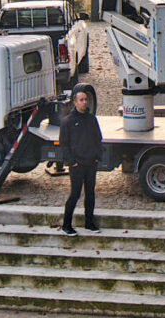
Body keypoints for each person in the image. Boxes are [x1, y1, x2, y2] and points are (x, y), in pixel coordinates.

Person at [59, 88, 102, 236]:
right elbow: (64, 144)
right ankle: (66, 224)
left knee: (90, 194)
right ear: (75, 102)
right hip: (77, 165)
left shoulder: (91, 119)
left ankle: (89, 222)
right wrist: (72, 162)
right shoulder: (68, 122)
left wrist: (97, 157)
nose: (85, 102)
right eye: (81, 100)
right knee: (75, 194)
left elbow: (98, 138)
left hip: (91, 163)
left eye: (86, 100)